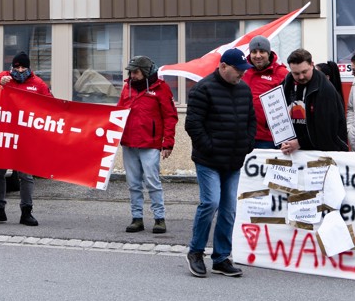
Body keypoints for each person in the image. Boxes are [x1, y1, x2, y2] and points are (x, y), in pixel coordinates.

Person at [184, 48, 257, 278]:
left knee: (229, 209)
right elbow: (192, 124)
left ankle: (221, 258)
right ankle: (196, 252)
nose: (242, 74)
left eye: (244, 70)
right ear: (223, 66)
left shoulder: (244, 89)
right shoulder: (203, 89)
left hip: (234, 160)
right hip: (209, 160)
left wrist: (247, 144)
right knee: (211, 202)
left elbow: (251, 120)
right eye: (238, 70)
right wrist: (210, 147)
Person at [0, 51, 52, 226]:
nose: (20, 70)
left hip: (25, 136)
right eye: (17, 67)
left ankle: (26, 211)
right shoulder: (5, 77)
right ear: (12, 67)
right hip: (3, 134)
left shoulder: (38, 83)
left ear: (29, 67)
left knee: (26, 175)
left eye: (23, 67)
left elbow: (50, 104)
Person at [116, 56, 178, 234]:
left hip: (150, 143)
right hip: (129, 143)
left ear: (145, 72)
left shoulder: (161, 88)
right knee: (133, 184)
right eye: (131, 72)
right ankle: (137, 219)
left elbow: (170, 116)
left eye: (135, 72)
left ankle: (159, 218)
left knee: (152, 182)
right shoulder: (127, 88)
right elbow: (119, 112)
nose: (132, 75)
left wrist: (168, 143)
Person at [280, 49, 347, 154]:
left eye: (304, 72)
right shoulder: (287, 83)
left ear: (312, 65)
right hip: (294, 150)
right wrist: (284, 140)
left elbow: (325, 131)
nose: (301, 77)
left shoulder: (325, 90)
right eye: (296, 73)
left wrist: (299, 143)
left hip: (322, 153)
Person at [242, 35, 290, 149]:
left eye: (262, 51)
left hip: (269, 138)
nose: (258, 55)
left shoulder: (282, 74)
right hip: (243, 135)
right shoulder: (242, 71)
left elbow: (290, 104)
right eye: (254, 52)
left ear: (268, 53)